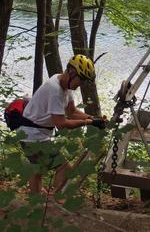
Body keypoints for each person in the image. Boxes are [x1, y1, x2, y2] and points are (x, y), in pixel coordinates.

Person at [17, 54, 105, 196]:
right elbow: (61, 124)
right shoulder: (55, 91)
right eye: (81, 79)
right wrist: (86, 122)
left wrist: (93, 118)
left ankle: (37, 201)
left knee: (38, 169)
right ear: (71, 72)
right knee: (64, 167)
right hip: (32, 136)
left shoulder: (65, 86)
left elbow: (71, 112)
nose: (80, 84)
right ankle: (59, 201)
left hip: (37, 134)